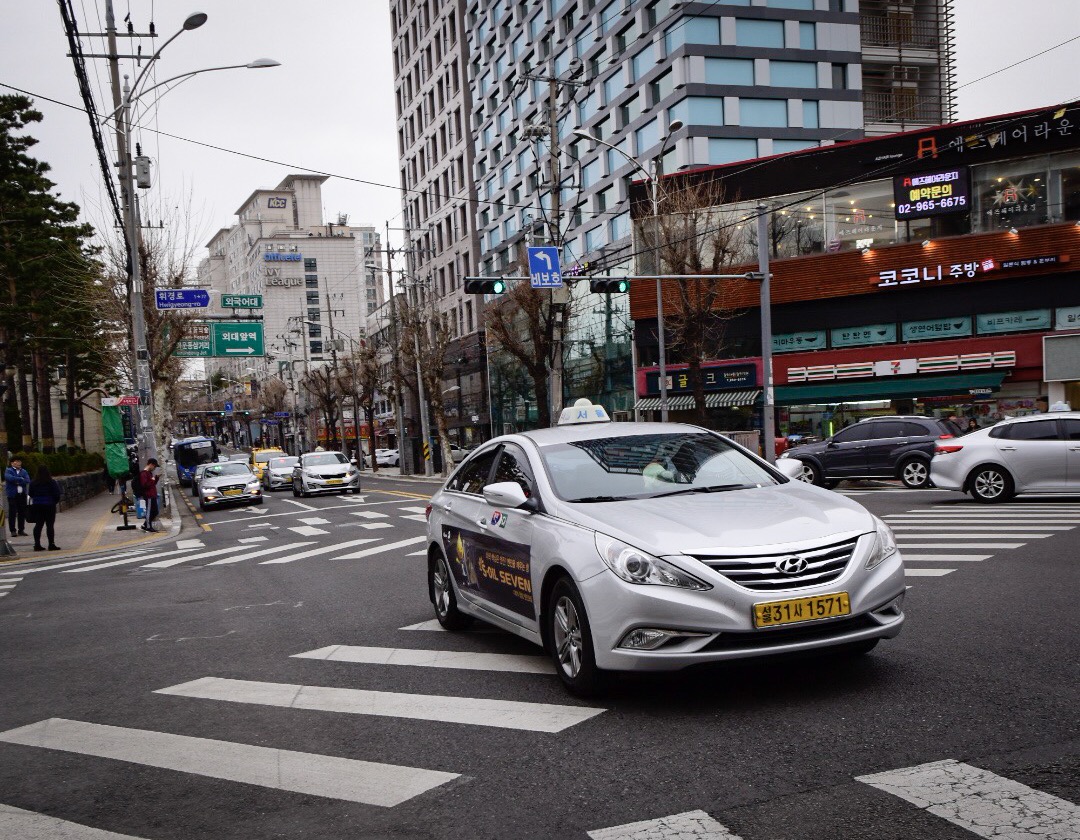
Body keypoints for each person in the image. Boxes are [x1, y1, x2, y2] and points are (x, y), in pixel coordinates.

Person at [28, 465, 62, 551]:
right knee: (50, 525)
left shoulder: (33, 482)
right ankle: (51, 544)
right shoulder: (51, 482)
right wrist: (54, 502)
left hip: (37, 505)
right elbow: (57, 494)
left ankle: (37, 544)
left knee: (38, 525)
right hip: (49, 505)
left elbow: (30, 494)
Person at [4, 456, 30, 537]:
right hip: (12, 495)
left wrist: (17, 481)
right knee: (12, 513)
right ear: (12, 463)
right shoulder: (9, 470)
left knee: (21, 512)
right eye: (17, 461)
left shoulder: (24, 471)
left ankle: (21, 530)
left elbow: (27, 480)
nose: (19, 463)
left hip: (22, 495)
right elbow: (10, 478)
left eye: (20, 461)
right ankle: (12, 530)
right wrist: (20, 479)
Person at [138, 458, 160, 533]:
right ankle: (147, 526)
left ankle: (145, 524)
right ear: (151, 464)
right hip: (149, 495)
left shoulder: (149, 473)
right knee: (149, 511)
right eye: (154, 466)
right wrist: (153, 480)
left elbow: (152, 484)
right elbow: (145, 485)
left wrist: (156, 479)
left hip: (153, 494)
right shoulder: (144, 473)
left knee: (155, 511)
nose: (154, 468)